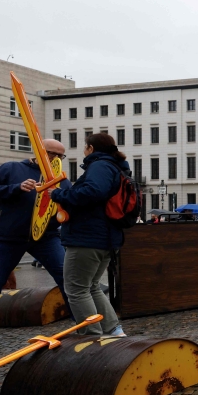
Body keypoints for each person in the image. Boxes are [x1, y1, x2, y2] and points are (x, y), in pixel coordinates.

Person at [0, 139, 71, 345]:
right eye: (52, 153)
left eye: (61, 156)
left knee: (67, 276)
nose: (56, 159)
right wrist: (15, 187)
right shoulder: (12, 168)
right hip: (7, 236)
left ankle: (82, 321)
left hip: (45, 237)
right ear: (40, 151)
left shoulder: (61, 178)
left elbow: (70, 201)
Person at [48, 133, 127, 337]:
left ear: (91, 148)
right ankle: (114, 330)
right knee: (91, 286)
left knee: (75, 289)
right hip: (105, 238)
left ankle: (92, 336)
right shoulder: (116, 166)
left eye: (85, 147)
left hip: (87, 237)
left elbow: (93, 191)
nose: (83, 151)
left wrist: (58, 195)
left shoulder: (100, 166)